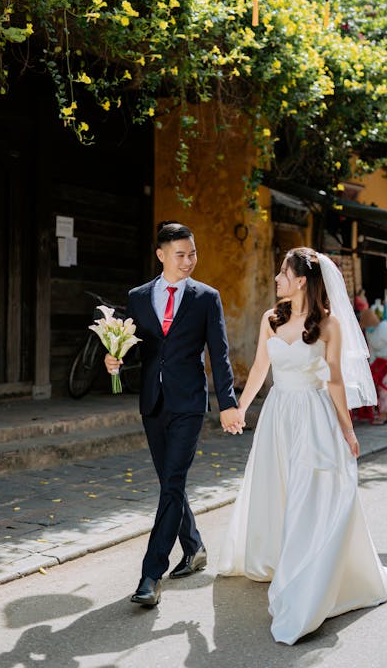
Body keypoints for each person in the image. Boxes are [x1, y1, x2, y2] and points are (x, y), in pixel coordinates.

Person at [218, 248, 387, 645]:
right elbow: (260, 368)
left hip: (313, 417)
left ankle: (309, 572)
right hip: (278, 414)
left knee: (312, 495)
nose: (277, 279)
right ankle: (278, 556)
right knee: (277, 487)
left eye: (283, 272)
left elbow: (334, 383)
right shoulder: (270, 318)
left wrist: (347, 431)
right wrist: (240, 408)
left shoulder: (329, 326)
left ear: (302, 280)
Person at [105, 222, 243, 607]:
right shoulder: (138, 297)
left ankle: (151, 574)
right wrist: (114, 359)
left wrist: (228, 403)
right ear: (162, 255)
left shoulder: (205, 298)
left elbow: (219, 352)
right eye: (180, 254)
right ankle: (194, 547)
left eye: (192, 253)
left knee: (171, 483)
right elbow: (134, 348)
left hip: (189, 404)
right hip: (152, 402)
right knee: (170, 482)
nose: (188, 261)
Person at [359, 308, 387, 424]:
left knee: (385, 385)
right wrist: (371, 367)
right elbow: (372, 351)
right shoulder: (369, 332)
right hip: (383, 361)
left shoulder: (383, 330)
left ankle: (384, 414)